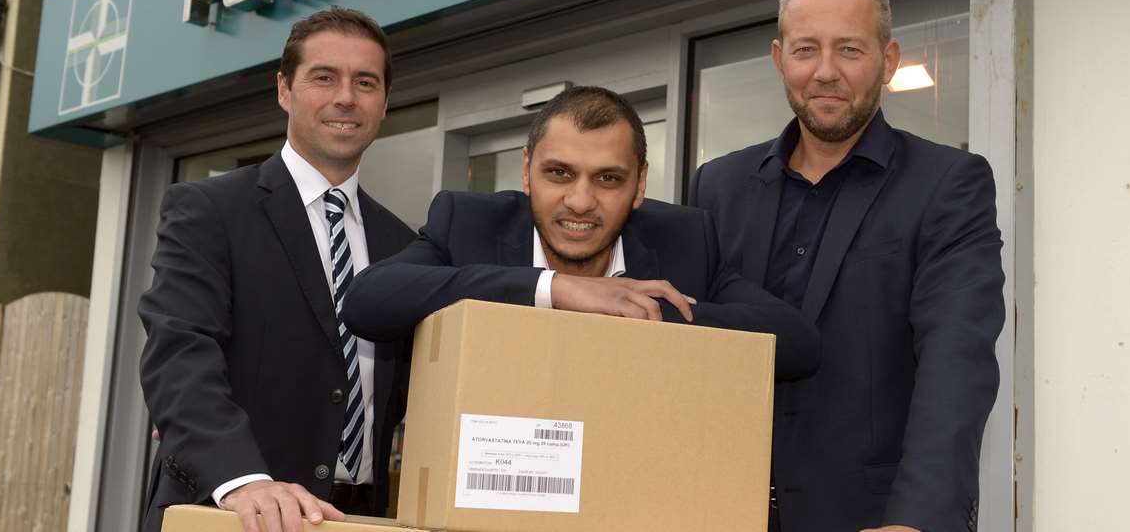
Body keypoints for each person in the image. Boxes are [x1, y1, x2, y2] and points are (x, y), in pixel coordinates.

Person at [689, 0, 1005, 532]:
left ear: (888, 61)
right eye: (806, 49)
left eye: (850, 50)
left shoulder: (947, 184)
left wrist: (918, 519)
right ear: (780, 58)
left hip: (872, 517)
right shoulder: (717, 186)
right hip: (720, 508)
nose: (826, 71)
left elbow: (956, 361)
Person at [138, 8, 416, 532]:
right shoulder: (208, 211)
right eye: (324, 77)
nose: (345, 98)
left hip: (358, 519)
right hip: (234, 512)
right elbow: (179, 354)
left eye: (365, 82)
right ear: (284, 90)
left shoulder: (404, 246)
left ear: (384, 102)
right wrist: (242, 478)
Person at [343, 86, 820, 382]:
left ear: (639, 185)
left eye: (608, 178)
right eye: (559, 174)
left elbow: (798, 344)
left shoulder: (684, 240)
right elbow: (368, 300)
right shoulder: (467, 222)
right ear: (527, 171)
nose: (580, 201)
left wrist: (638, 316)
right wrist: (557, 290)